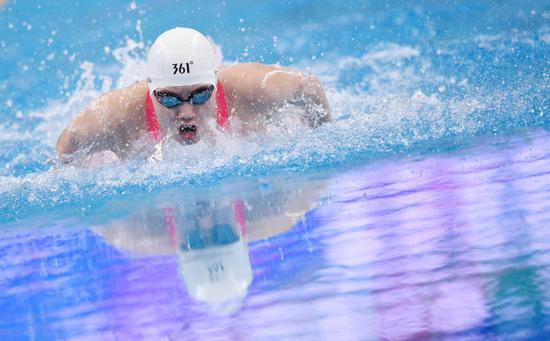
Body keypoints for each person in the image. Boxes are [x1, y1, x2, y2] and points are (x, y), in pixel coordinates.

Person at [55, 27, 331, 164]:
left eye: (200, 95)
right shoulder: (118, 117)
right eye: (169, 99)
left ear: (215, 82)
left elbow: (309, 87)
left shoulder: (256, 90)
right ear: (151, 92)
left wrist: (320, 137)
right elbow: (72, 139)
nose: (186, 112)